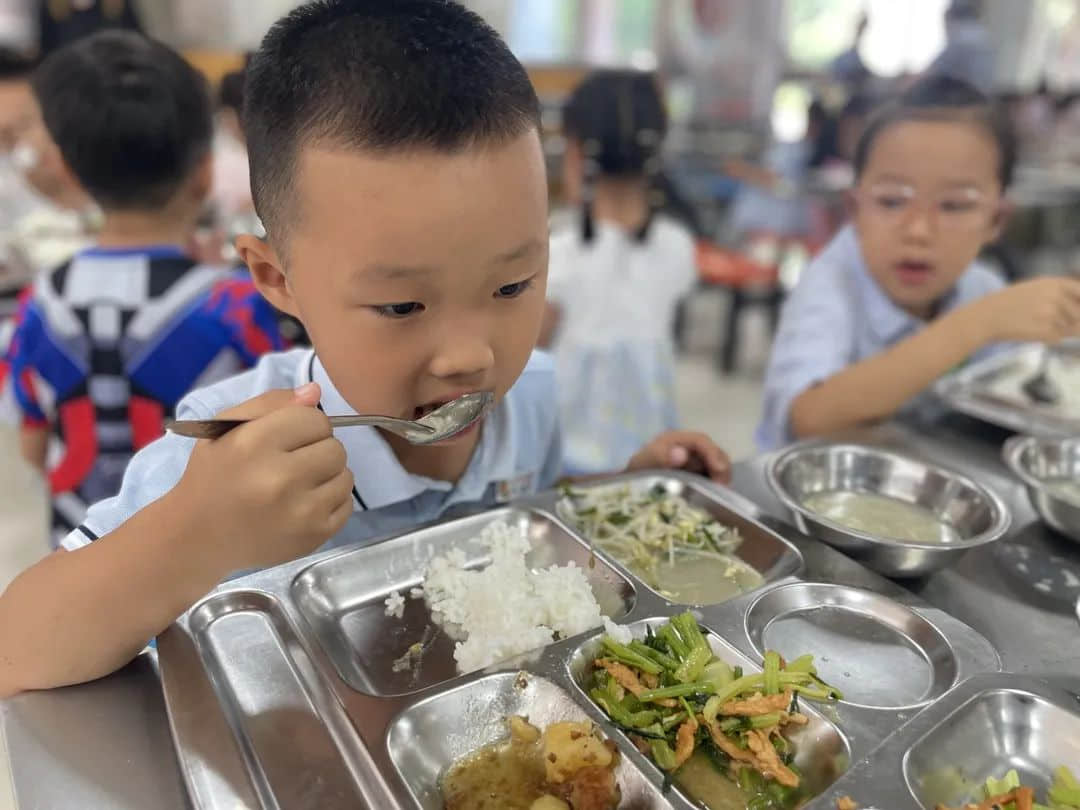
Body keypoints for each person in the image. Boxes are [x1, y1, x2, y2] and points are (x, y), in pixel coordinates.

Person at [0, 0, 729, 697]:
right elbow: (16, 650)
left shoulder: (529, 395)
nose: (470, 355)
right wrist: (197, 533)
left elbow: (541, 528)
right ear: (275, 278)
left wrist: (625, 495)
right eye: (402, 305)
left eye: (514, 285)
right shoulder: (234, 450)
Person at [3, 30, 284, 545]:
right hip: (209, 558)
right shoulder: (238, 305)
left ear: (69, 169)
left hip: (80, 549)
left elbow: (32, 446)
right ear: (204, 171)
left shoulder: (38, 305)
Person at [757, 75, 1080, 450]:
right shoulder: (831, 283)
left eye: (954, 205)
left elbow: (1017, 390)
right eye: (892, 201)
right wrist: (975, 324)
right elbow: (808, 417)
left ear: (996, 221)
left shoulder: (982, 286)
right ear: (855, 210)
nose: (919, 230)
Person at [541, 70, 698, 475]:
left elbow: (528, 359)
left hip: (564, 464)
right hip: (651, 456)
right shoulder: (677, 247)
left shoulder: (558, 253)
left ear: (576, 155)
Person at [926, 0, 996, 95]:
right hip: (977, 99)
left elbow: (934, 71)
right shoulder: (982, 37)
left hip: (961, 101)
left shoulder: (963, 38)